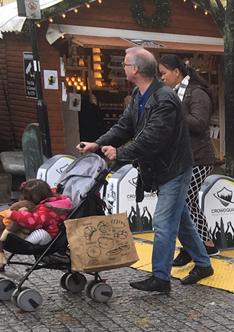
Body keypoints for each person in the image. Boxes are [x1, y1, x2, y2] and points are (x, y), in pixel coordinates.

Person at [78, 47, 213, 293]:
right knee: (180, 220)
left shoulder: (165, 99)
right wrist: (98, 143)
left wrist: (121, 153)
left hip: (174, 169)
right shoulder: (139, 94)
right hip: (161, 168)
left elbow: (153, 138)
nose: (124, 68)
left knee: (163, 223)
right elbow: (125, 126)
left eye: (126, 64)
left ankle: (160, 278)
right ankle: (204, 264)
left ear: (136, 69)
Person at [157, 54, 219, 260]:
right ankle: (203, 244)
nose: (162, 78)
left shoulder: (196, 93)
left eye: (164, 73)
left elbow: (200, 123)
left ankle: (198, 246)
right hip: (183, 157)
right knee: (187, 202)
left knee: (184, 200)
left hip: (199, 157)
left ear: (177, 72)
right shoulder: (173, 93)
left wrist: (173, 113)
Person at [0, 180, 72, 266]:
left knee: (40, 234)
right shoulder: (54, 201)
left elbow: (33, 221)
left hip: (49, 236)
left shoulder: (47, 208)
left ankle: (19, 240)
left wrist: (14, 214)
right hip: (45, 229)